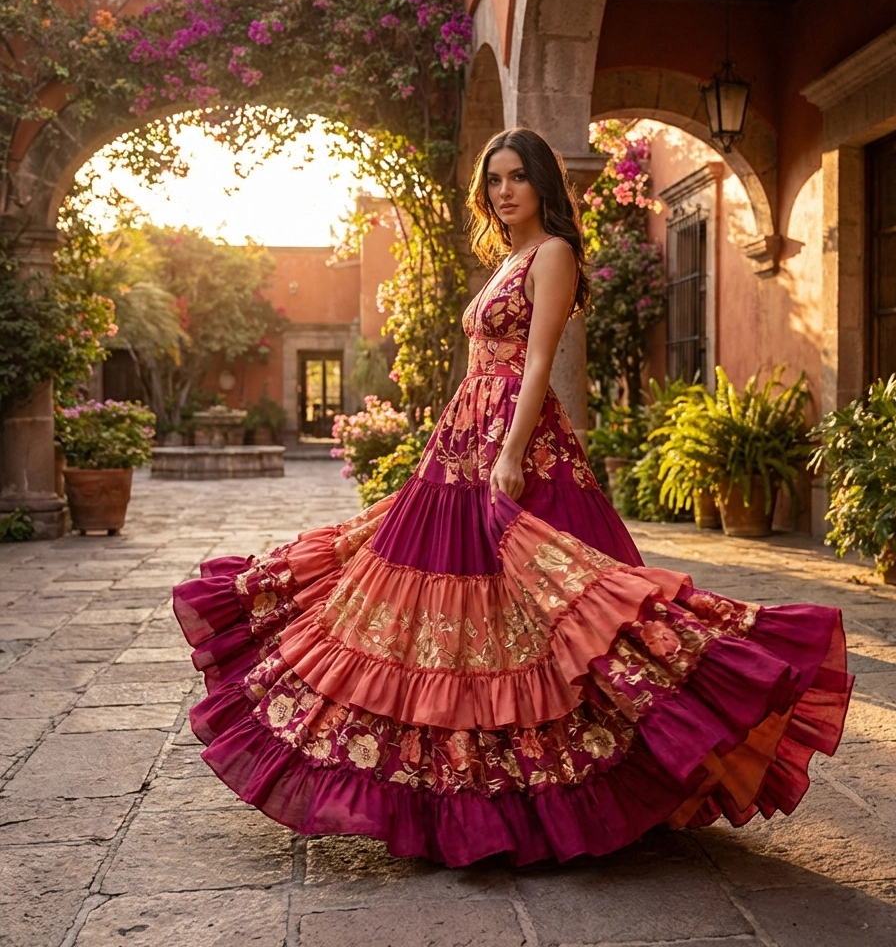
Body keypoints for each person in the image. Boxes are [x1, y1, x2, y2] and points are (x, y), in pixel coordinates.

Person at [173, 127, 853, 868]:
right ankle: (464, 790)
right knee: (452, 609)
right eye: (493, 178)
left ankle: (596, 778)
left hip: (509, 442)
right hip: (460, 445)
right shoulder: (510, 257)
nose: (503, 190)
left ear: (541, 186)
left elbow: (538, 364)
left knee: (563, 611)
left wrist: (509, 453)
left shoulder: (554, 253)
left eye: (516, 177)